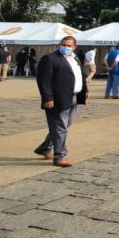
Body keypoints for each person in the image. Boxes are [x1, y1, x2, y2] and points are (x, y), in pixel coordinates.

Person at [33, 35, 88, 168]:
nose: (66, 47)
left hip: (73, 96)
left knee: (65, 125)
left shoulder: (75, 58)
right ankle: (60, 156)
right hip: (57, 98)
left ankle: (45, 147)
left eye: (69, 45)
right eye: (63, 45)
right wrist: (47, 98)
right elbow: (43, 80)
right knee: (60, 127)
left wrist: (85, 89)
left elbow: (80, 75)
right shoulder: (50, 58)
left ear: (74, 47)